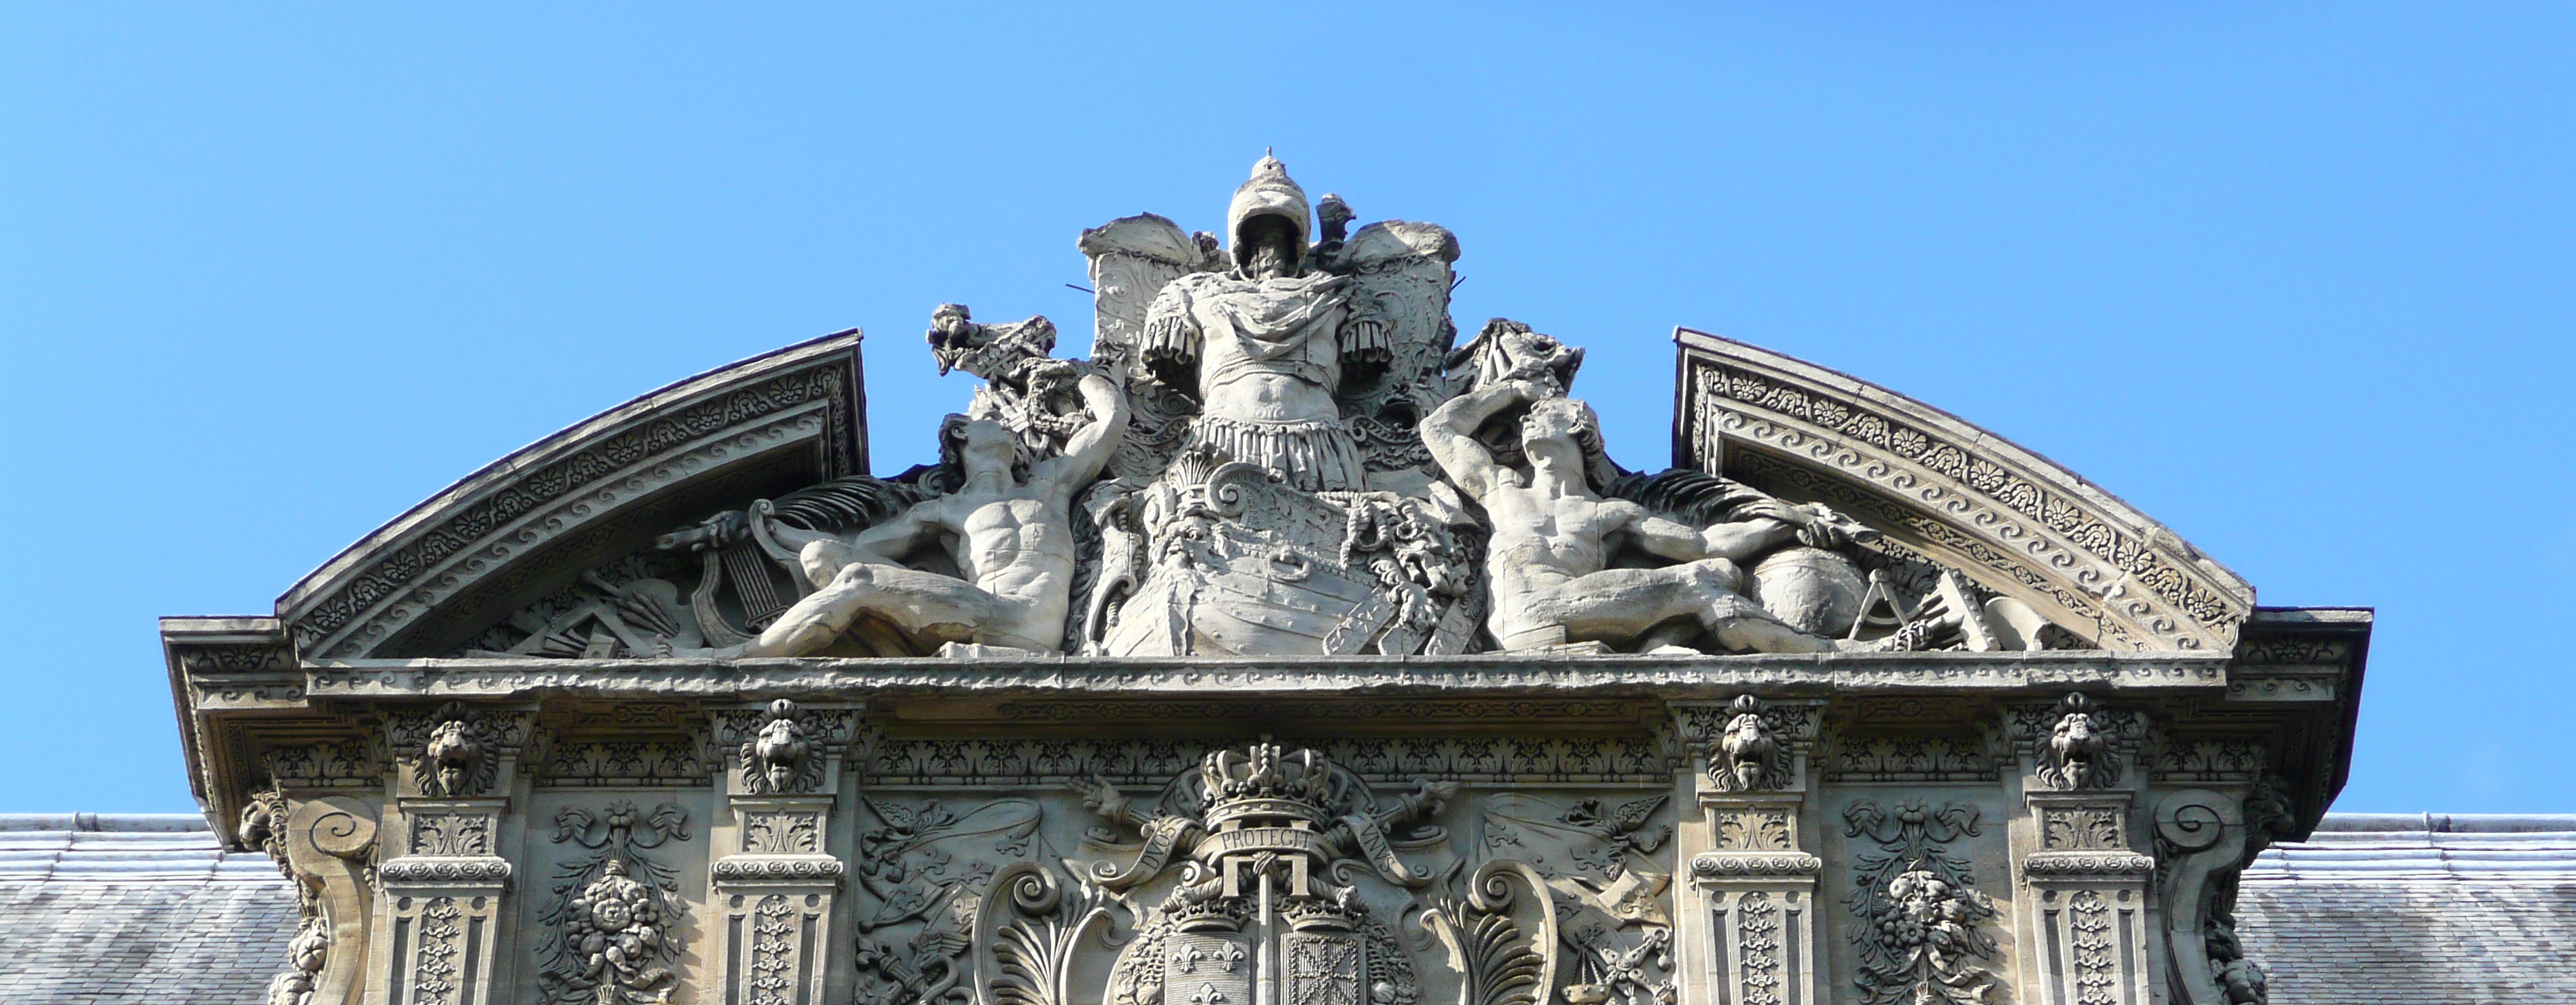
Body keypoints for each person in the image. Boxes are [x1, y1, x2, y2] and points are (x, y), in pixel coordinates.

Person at [1420, 379, 1881, 653]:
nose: (1526, 423)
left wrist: (1785, 518)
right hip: (1526, 616)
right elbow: (1438, 428)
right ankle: (1826, 651)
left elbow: (1705, 544)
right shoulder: (1501, 491)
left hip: (1568, 613)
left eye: (1541, 415)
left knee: (1714, 570)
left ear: (1577, 426)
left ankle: (1663, 649)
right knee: (1704, 580)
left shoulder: (1611, 513)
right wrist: (1514, 390)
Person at [732, 367, 1128, 657]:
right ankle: (895, 657)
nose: (1009, 428)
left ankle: (741, 657)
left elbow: (1111, 421)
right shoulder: (944, 510)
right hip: (985, 611)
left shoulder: (1048, 484)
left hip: (1025, 619)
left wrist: (1085, 377)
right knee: (822, 556)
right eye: (993, 422)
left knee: (858, 579)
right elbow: (854, 545)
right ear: (962, 433)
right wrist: (774, 530)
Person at [1138, 155, 1386, 492]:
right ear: (1240, 243)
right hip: (1220, 438)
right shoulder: (1192, 293)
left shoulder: (1341, 296)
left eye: (1282, 235)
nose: (1269, 247)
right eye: (1257, 236)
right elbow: (1165, 358)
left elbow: (1369, 358)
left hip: (1318, 444)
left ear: (1298, 242)